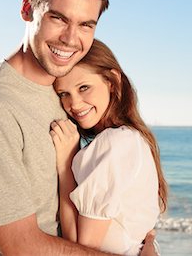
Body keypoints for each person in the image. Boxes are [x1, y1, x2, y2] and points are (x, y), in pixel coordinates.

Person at [0, 0, 157, 255]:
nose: (71, 39)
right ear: (27, 9)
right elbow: (21, 247)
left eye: (86, 24)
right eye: (58, 18)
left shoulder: (64, 89)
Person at [50, 39, 168, 255]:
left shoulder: (114, 143)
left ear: (112, 80)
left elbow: (80, 248)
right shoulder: (132, 138)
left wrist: (65, 166)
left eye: (84, 87)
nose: (74, 104)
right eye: (63, 94)